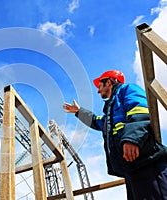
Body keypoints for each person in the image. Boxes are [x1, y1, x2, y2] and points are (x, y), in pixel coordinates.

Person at [63, 70, 167, 200]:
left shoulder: (127, 89)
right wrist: (79, 111)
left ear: (111, 81)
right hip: (130, 168)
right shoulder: (110, 112)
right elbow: (97, 121)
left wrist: (132, 139)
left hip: (146, 162)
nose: (98, 91)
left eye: (100, 85)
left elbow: (139, 111)